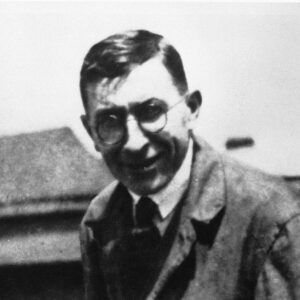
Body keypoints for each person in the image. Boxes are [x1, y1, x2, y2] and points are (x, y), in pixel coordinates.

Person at [79, 29, 300, 300]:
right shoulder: (99, 221)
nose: (133, 143)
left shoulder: (271, 218)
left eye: (151, 112)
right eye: (110, 122)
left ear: (192, 109)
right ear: (91, 132)